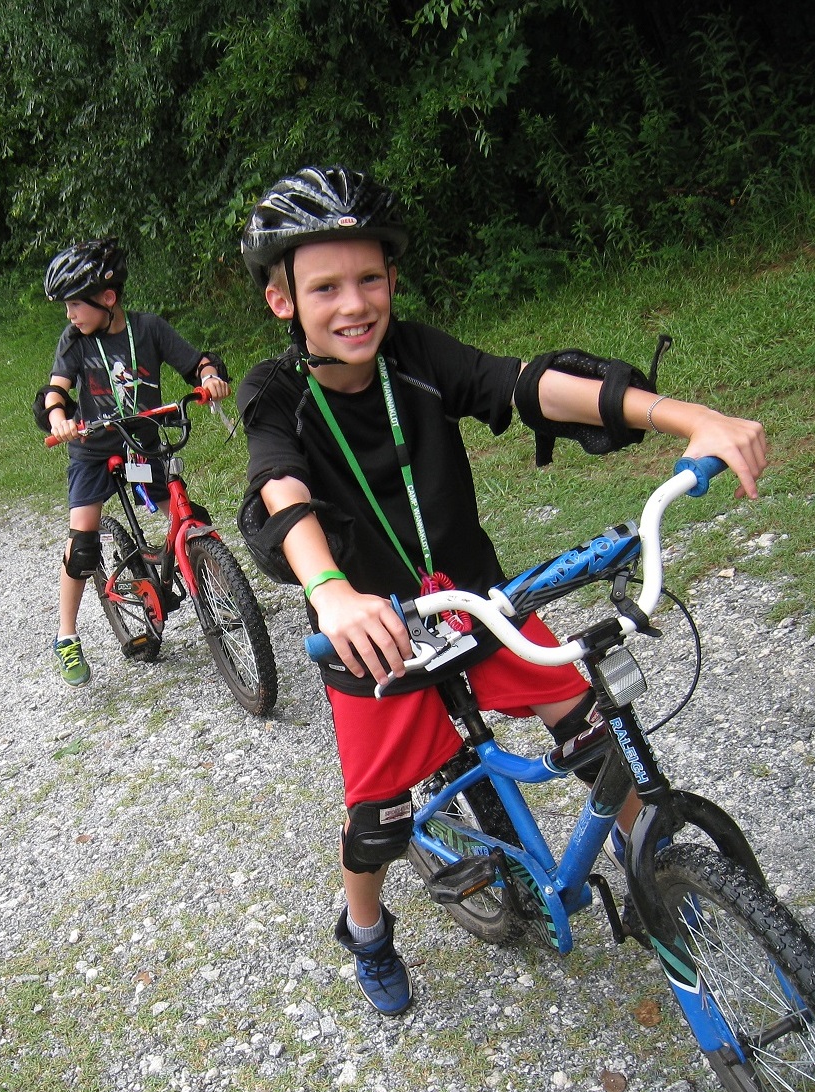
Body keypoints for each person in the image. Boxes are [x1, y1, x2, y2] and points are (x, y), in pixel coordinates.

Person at [235, 166, 767, 1016]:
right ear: (282, 302)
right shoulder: (276, 393)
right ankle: (365, 928)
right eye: (324, 286)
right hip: (372, 635)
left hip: (476, 603)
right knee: (376, 822)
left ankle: (652, 868)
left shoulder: (416, 355)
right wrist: (331, 591)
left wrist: (685, 417)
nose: (353, 303)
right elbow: (278, 486)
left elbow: (525, 385)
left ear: (393, 280)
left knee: (592, 728)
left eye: (369, 278)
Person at [35, 237, 232, 686]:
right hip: (91, 445)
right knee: (83, 543)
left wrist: (210, 377)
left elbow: (195, 362)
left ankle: (212, 584)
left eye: (74, 305)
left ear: (108, 299)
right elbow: (57, 389)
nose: (69, 315)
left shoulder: (148, 329)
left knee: (186, 517)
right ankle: (66, 636)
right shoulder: (74, 341)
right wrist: (60, 417)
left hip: (142, 439)